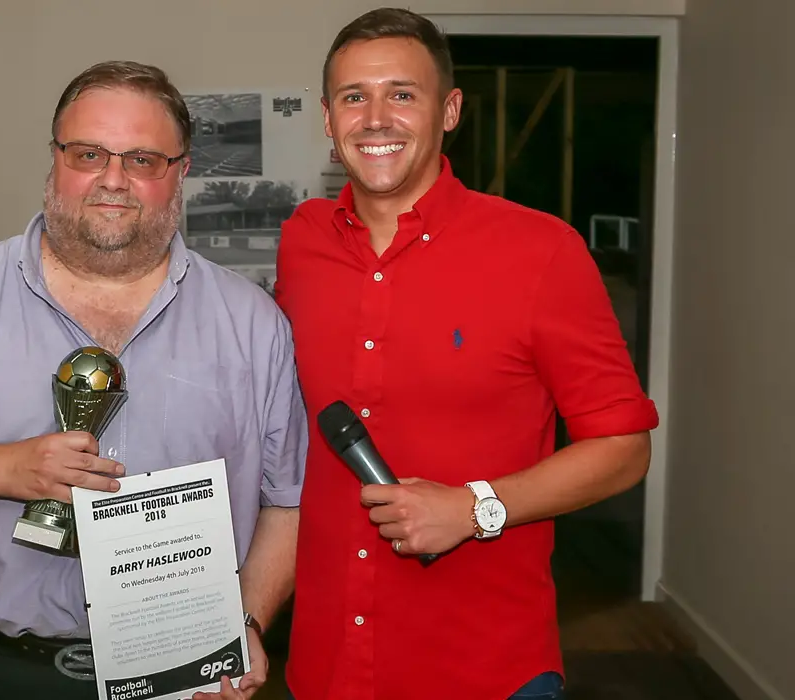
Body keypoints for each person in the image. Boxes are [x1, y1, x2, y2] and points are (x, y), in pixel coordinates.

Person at [0, 60, 306, 700]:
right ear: (54, 160)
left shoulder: (252, 323)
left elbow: (288, 499)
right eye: (88, 153)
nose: (113, 180)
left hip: (183, 674)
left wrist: (245, 622)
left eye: (142, 159)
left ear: (180, 172)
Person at [274, 8, 659, 700]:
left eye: (403, 93)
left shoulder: (541, 253)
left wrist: (477, 507)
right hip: (326, 666)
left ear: (449, 110)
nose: (376, 117)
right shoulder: (302, 243)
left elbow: (625, 448)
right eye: (353, 96)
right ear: (328, 120)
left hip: (483, 670)